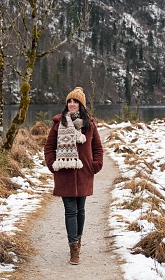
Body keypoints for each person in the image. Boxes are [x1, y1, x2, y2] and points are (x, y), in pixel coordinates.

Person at [43, 87, 104, 265]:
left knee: (81, 210)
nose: (71, 104)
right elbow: (49, 148)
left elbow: (98, 148)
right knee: (70, 211)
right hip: (65, 174)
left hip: (84, 173)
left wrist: (96, 165)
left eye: (75, 101)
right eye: (69, 101)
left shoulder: (89, 125)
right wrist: (53, 165)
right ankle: (73, 248)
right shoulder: (58, 124)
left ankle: (78, 239)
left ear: (81, 105)